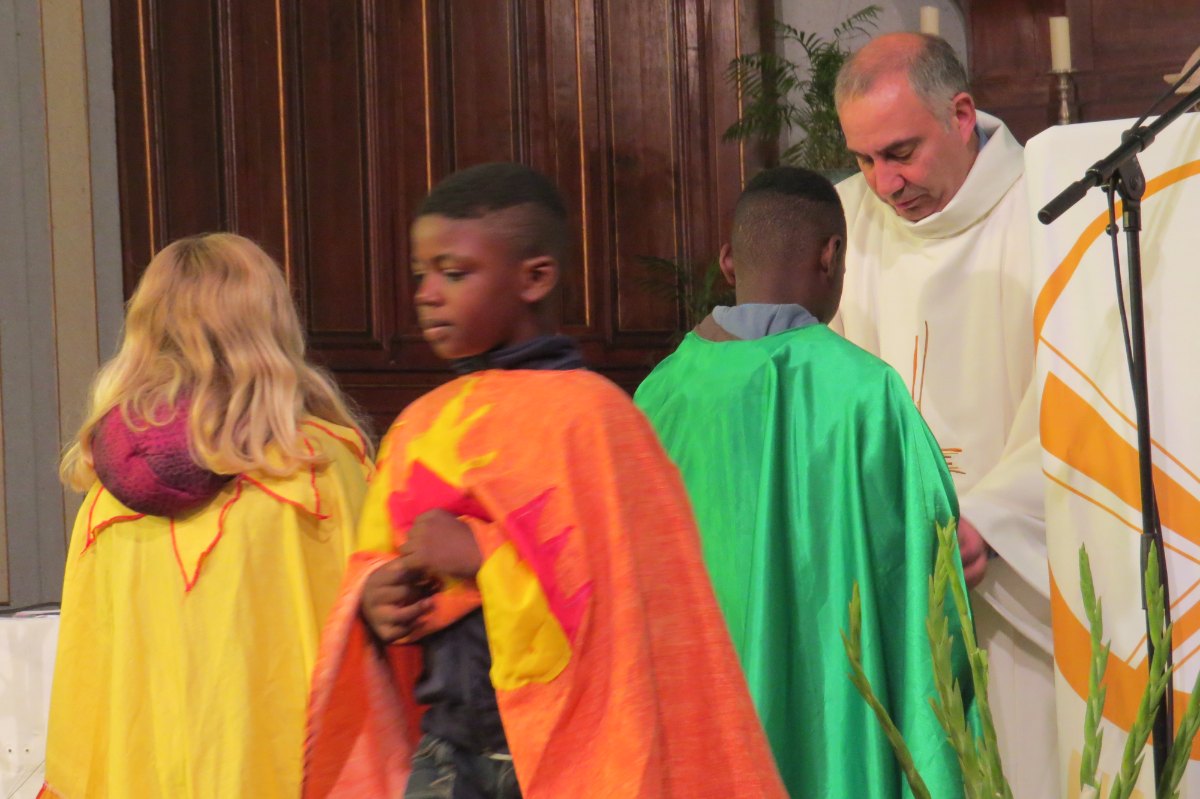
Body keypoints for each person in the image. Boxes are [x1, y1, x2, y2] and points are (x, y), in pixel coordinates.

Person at [303, 162, 785, 799]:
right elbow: (376, 565)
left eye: (454, 272)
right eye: (421, 274)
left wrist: (480, 554)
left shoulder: (594, 421)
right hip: (447, 750)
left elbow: (626, 607)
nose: (426, 293)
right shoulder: (421, 427)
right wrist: (374, 598)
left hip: (563, 754)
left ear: (534, 278)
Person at [634, 166, 972, 798]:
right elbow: (931, 587)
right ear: (831, 255)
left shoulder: (658, 397)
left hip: (695, 727)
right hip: (831, 735)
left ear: (729, 262)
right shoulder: (867, 394)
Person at [41, 233, 373, 798]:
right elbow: (371, 650)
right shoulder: (318, 468)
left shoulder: (107, 492)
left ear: (146, 328)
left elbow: (85, 686)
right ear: (269, 323)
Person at [833, 32, 1056, 797]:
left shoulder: (1054, 210)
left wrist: (990, 518)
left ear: (961, 114)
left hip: (1016, 580)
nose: (884, 184)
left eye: (900, 152)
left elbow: (1087, 397)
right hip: (890, 578)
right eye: (863, 160)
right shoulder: (843, 223)